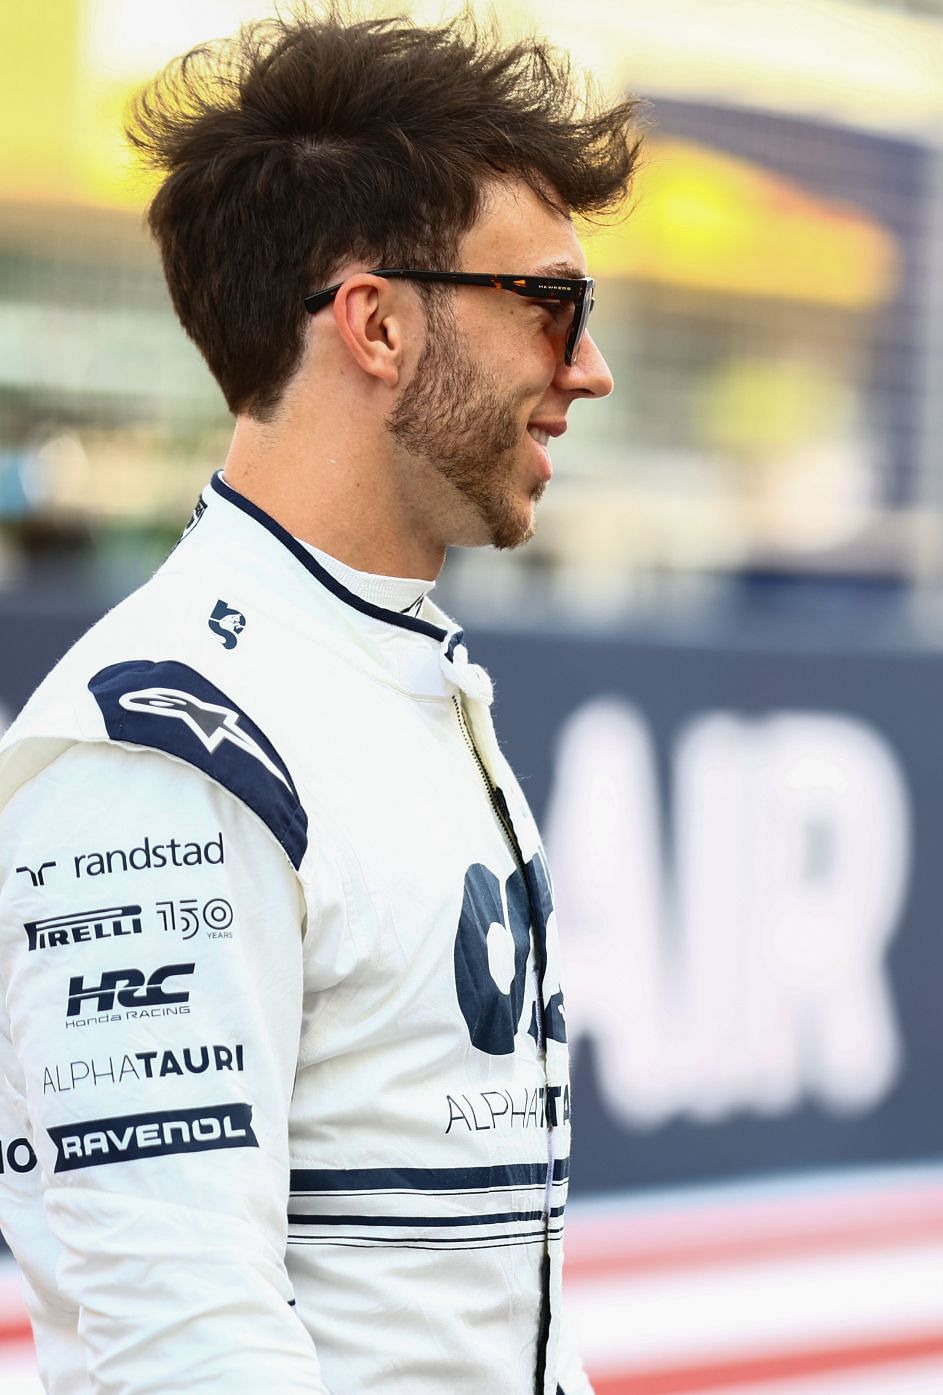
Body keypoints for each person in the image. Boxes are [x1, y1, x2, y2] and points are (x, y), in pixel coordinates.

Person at [0, 14, 638, 1393]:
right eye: (551, 303)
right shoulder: (166, 737)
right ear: (379, 322)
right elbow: (185, 1349)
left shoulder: (391, 675)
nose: (586, 367)